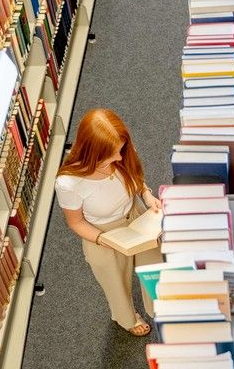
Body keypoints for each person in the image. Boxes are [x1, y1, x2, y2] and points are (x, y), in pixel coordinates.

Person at [54, 108, 163, 336]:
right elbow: (76, 223)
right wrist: (103, 240)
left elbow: (137, 178)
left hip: (136, 216)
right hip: (102, 233)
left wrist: (147, 195)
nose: (120, 157)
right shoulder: (69, 183)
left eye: (121, 150)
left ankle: (159, 309)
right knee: (115, 282)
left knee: (154, 267)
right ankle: (127, 318)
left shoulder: (120, 150)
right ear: (93, 153)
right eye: (112, 154)